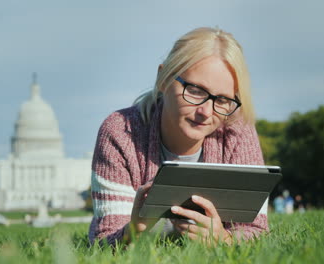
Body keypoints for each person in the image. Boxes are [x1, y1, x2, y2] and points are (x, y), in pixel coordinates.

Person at [89, 27, 269, 246]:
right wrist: (131, 233)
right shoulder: (120, 132)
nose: (206, 112)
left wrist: (225, 240)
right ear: (163, 79)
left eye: (222, 100)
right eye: (195, 90)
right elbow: (103, 240)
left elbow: (256, 231)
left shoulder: (237, 130)